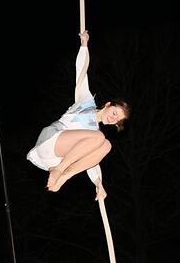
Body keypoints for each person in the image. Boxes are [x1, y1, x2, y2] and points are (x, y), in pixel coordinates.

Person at [27, 30, 129, 201]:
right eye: (114, 113)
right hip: (51, 141)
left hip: (57, 159)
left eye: (117, 120)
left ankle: (64, 175)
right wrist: (84, 46)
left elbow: (91, 163)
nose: (113, 119)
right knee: (99, 139)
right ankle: (60, 170)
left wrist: (99, 185)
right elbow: (81, 71)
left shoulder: (95, 134)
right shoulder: (86, 103)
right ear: (108, 104)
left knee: (106, 146)